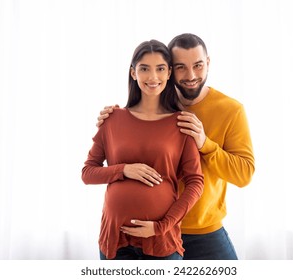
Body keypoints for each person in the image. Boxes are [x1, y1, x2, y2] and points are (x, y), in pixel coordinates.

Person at [96, 33, 255, 260]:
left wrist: (205, 144)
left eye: (198, 66)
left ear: (207, 63)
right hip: (152, 230)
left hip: (201, 230)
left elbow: (244, 174)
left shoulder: (231, 110)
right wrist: (113, 117)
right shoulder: (156, 102)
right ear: (170, 69)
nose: (191, 75)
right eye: (181, 67)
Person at [81, 39, 204, 260]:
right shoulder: (113, 119)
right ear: (133, 72)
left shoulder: (181, 124)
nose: (153, 77)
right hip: (115, 240)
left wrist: (161, 226)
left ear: (168, 74)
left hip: (161, 241)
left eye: (160, 69)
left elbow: (196, 183)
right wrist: (124, 170)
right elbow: (87, 173)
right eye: (144, 69)